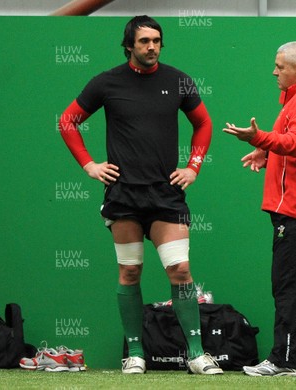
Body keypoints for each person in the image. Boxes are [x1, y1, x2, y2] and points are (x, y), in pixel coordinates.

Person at [58, 15, 222, 375]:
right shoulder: (106, 82)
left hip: (166, 196)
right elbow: (67, 121)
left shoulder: (179, 81)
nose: (152, 46)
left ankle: (196, 354)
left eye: (157, 40)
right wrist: (89, 165)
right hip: (123, 196)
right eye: (144, 41)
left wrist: (193, 167)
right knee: (130, 273)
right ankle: (135, 353)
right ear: (129, 45)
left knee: (180, 270)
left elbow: (204, 123)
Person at [223, 41, 296, 377]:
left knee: (289, 286)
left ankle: (284, 360)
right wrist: (270, 152)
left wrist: (260, 140)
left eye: (280, 67)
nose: (274, 72)